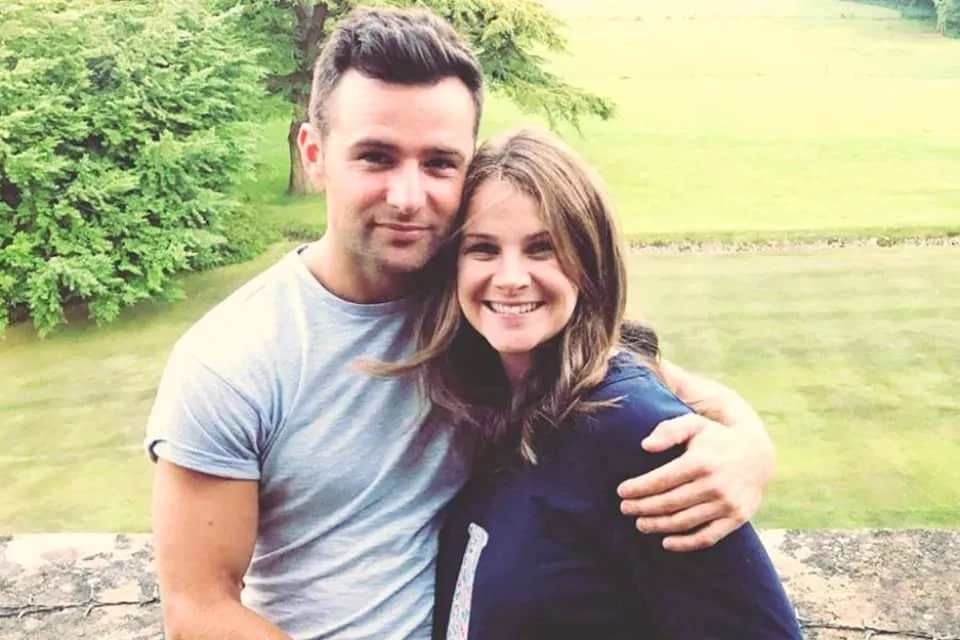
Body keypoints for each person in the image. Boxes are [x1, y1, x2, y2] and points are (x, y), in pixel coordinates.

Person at [146, 6, 777, 640]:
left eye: (439, 163)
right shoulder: (232, 359)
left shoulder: (477, 302)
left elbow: (616, 371)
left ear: (468, 168)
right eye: (376, 157)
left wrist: (748, 444)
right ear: (315, 154)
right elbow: (197, 610)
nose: (407, 197)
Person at [369, 127, 800, 638]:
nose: (510, 277)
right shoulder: (489, 403)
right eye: (483, 249)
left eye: (542, 249)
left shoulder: (635, 432)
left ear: (589, 261)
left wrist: (751, 447)